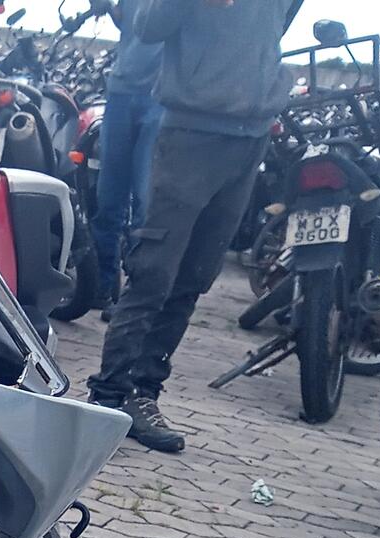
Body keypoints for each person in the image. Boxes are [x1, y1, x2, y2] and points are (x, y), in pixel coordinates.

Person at [87, 0, 304, 453]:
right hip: (191, 133)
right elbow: (149, 26)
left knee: (195, 276)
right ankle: (108, 395)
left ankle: (144, 393)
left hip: (250, 136)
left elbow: (276, 25)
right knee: (154, 272)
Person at [88, 0, 164, 313]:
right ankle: (103, 285)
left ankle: (133, 295)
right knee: (108, 199)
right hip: (120, 91)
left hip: (161, 96)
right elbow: (129, 23)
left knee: (146, 204)